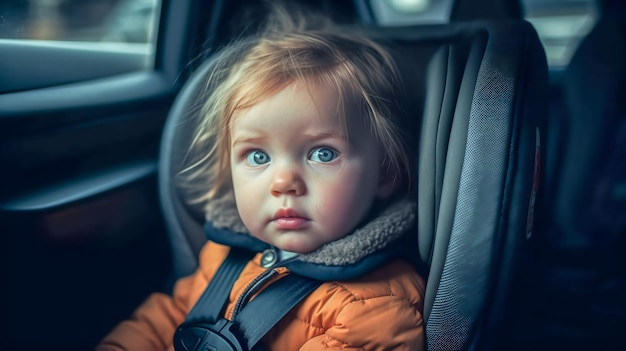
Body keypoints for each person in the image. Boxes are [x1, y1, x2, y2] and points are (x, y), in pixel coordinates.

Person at [96, 5, 425, 351]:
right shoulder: (226, 254)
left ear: (385, 173)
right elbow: (173, 315)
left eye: (323, 153)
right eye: (258, 156)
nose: (283, 182)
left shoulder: (373, 310)